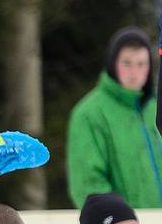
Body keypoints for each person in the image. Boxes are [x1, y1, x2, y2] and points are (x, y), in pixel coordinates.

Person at [67, 26, 162, 208]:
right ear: (113, 64)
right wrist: (118, 223)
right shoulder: (89, 113)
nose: (134, 73)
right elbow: (87, 183)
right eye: (127, 63)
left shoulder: (155, 108)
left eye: (141, 64)